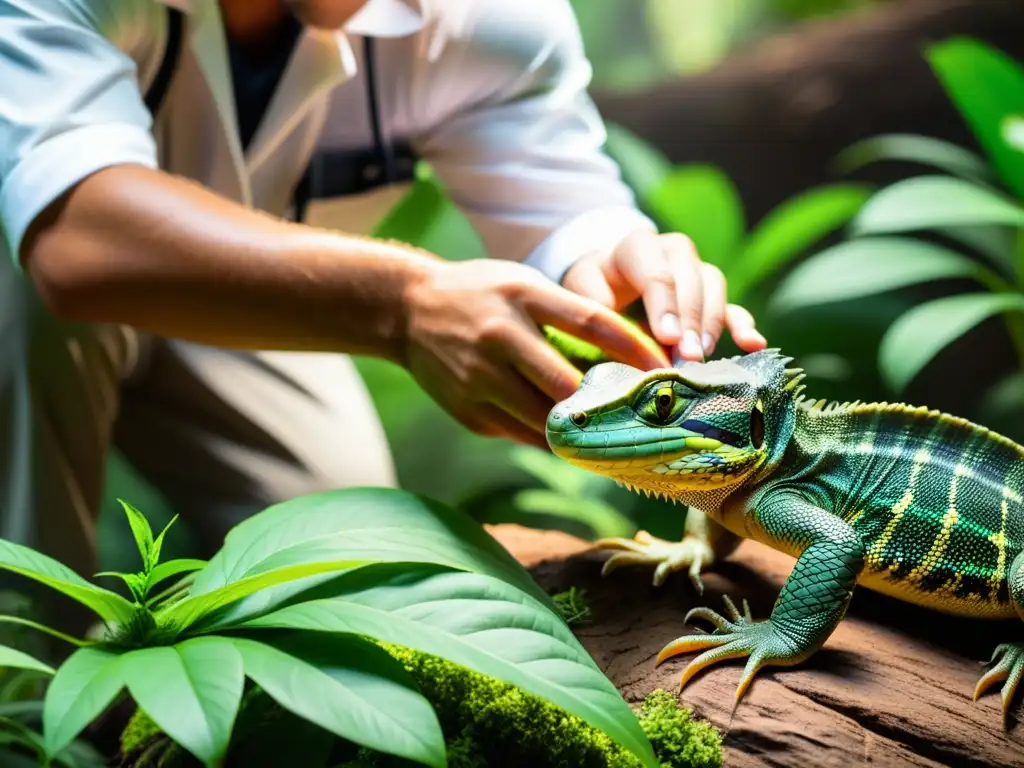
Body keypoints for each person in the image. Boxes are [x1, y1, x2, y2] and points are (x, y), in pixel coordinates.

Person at [0, 0, 766, 583]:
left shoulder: (495, 19)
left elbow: (561, 210)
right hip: (26, 283)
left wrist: (618, 267)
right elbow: (76, 235)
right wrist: (401, 305)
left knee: (351, 567)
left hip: (261, 311)